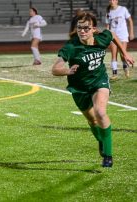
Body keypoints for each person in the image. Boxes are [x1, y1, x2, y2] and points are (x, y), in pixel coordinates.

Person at [51, 11, 134, 167]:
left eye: (86, 28)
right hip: (79, 88)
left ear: (94, 29)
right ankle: (101, 140)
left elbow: (113, 35)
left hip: (99, 81)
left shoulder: (101, 39)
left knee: (100, 112)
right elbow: (55, 69)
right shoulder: (71, 47)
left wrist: (125, 54)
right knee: (92, 120)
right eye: (79, 27)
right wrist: (66, 71)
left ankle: (108, 156)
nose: (82, 31)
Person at [105, 0, 135, 80]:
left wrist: (131, 32)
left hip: (123, 35)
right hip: (113, 35)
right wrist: (107, 36)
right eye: (110, 0)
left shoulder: (123, 9)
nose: (112, 1)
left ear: (117, 1)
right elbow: (107, 26)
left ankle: (126, 69)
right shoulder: (108, 12)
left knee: (123, 54)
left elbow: (130, 20)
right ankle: (114, 74)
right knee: (114, 54)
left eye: (113, 0)